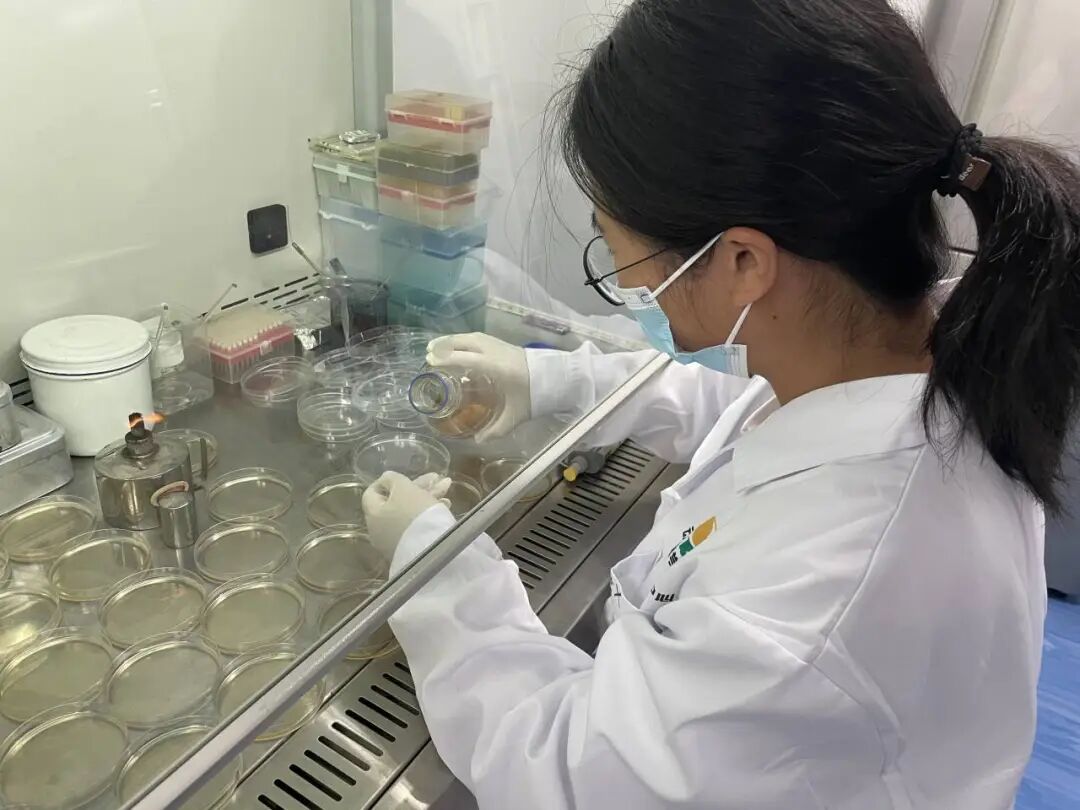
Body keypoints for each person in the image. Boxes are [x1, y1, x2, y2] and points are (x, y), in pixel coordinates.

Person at [361, 1, 1080, 807]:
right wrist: (554, 383)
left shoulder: (821, 594)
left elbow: (568, 773)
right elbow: (748, 411)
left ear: (742, 262)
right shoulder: (922, 342)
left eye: (616, 248)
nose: (627, 282)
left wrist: (441, 576)